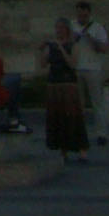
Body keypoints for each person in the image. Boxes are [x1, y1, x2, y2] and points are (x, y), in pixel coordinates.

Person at [42, 17, 90, 160]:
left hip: (68, 84)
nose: (58, 31)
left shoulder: (73, 45)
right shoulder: (51, 46)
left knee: (72, 117)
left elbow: (73, 64)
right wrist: (42, 49)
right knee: (57, 118)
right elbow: (43, 64)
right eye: (57, 28)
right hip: (54, 83)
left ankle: (81, 149)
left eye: (61, 28)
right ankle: (63, 151)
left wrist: (61, 48)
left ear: (67, 29)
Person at [71, 0, 109, 146]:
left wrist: (91, 39)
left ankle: (101, 133)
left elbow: (105, 48)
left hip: (93, 68)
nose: (81, 18)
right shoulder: (71, 26)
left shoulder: (98, 27)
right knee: (78, 104)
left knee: (97, 103)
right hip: (76, 68)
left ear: (89, 14)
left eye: (84, 15)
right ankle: (79, 133)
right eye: (79, 15)